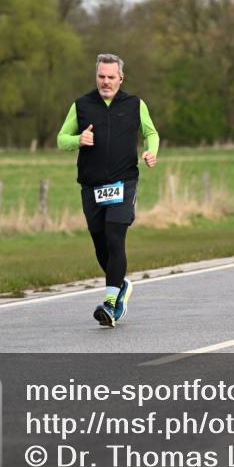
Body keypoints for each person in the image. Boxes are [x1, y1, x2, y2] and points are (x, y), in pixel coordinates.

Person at [57, 53, 158, 327]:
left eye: (111, 77)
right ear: (96, 76)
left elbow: (151, 133)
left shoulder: (135, 104)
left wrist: (151, 152)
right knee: (101, 243)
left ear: (120, 78)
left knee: (115, 235)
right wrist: (78, 139)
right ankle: (120, 283)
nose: (106, 81)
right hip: (91, 185)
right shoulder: (82, 105)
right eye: (101, 76)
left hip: (123, 182)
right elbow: (61, 138)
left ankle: (111, 303)